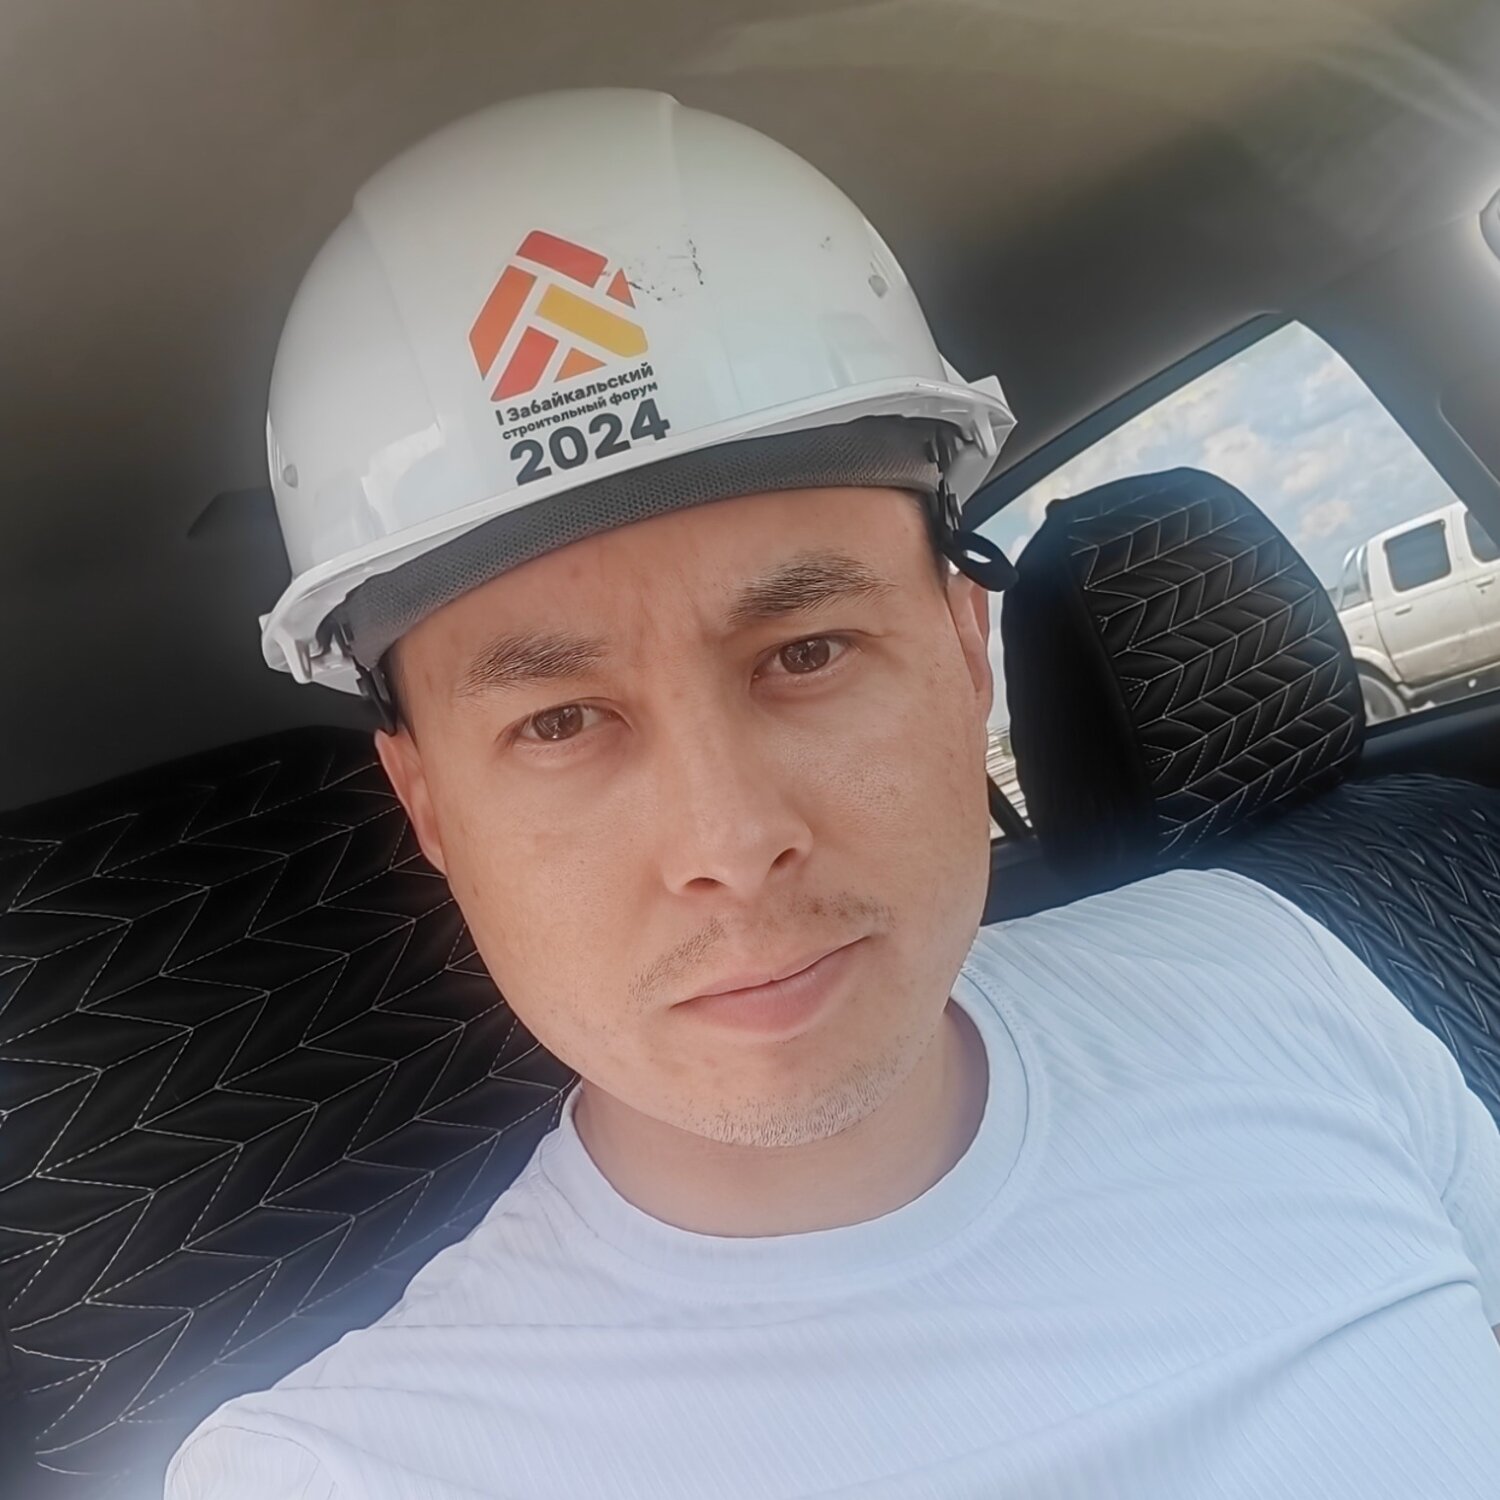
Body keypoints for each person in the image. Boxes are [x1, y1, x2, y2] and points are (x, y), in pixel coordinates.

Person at [165, 88, 1500, 1500]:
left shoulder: (1262, 963)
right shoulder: (335, 1470)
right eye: (559, 720)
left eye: (806, 652)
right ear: (430, 808)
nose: (733, 845)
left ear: (964, 651)